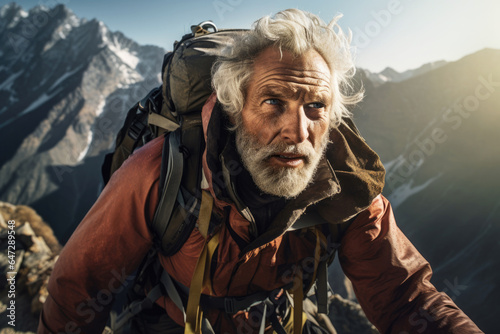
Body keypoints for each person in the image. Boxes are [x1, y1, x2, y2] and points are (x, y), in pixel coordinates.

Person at [37, 9, 482, 334]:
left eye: (316, 107)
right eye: (274, 102)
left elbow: (404, 297)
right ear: (234, 108)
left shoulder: (346, 187)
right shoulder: (159, 172)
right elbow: (79, 288)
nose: (298, 130)